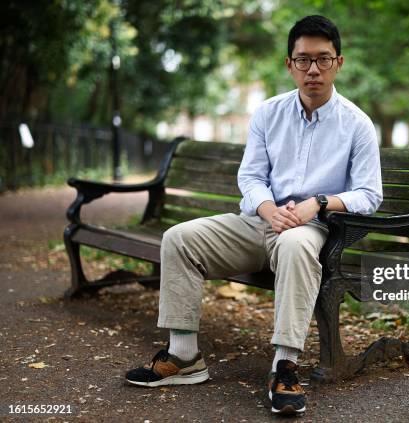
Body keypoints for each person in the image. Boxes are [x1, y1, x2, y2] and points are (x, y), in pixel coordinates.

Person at [125, 15, 382, 416]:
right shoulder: (268, 113)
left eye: (323, 59)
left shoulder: (358, 125)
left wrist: (319, 201)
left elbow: (369, 194)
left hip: (311, 227)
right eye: (303, 59)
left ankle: (284, 366)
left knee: (296, 246)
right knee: (179, 237)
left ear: (339, 63)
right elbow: (251, 176)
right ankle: (184, 355)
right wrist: (268, 209)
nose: (313, 69)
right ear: (289, 64)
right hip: (257, 223)